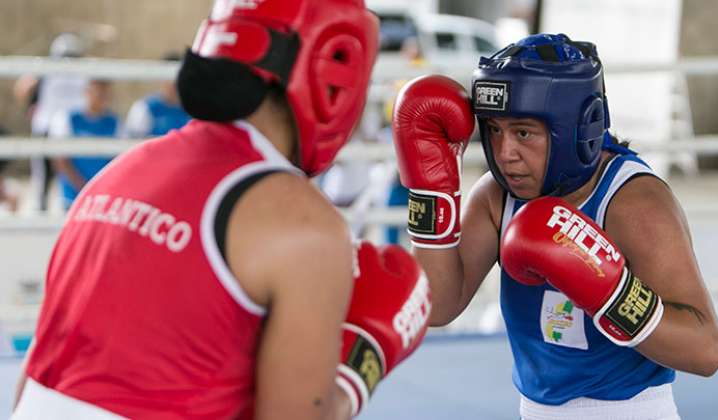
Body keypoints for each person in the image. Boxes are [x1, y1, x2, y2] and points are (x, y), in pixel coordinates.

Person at [12, 1, 431, 419]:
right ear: (337, 70)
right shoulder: (303, 223)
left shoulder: (115, 176)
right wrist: (363, 357)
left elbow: (27, 392)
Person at [393, 34, 718, 419]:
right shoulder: (498, 197)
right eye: (494, 130)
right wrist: (431, 191)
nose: (505, 153)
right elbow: (438, 306)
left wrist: (610, 292)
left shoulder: (634, 202)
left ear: (575, 127)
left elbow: (706, 351)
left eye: (523, 133)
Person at [13, 32, 88, 211]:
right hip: (63, 129)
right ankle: (52, 208)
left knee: (48, 177)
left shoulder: (47, 69)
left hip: (59, 128)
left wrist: (31, 104)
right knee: (50, 176)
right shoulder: (81, 72)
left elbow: (22, 89)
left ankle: (47, 209)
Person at [49, 79, 119, 210]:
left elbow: (117, 160)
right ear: (87, 92)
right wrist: (84, 188)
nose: (101, 97)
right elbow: (61, 161)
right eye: (98, 92)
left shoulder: (114, 122)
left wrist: (103, 188)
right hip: (72, 197)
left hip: (103, 197)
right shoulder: (68, 119)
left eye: (105, 93)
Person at [123, 52, 191, 138]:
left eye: (177, 78)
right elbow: (132, 142)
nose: (173, 83)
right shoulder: (145, 108)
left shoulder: (191, 110)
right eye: (169, 78)